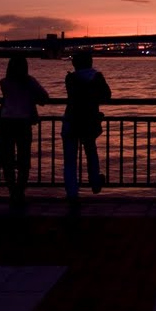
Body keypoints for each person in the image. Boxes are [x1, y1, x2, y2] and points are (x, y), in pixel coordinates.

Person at [0, 55, 49, 205]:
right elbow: (44, 97)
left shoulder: (4, 82)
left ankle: (12, 190)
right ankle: (20, 191)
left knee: (7, 159)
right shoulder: (29, 82)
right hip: (23, 123)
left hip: (6, 122)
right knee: (24, 158)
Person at [62, 50, 111, 201]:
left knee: (70, 159)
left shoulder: (70, 78)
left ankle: (72, 192)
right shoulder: (97, 77)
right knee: (91, 152)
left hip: (71, 120)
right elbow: (107, 95)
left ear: (75, 64)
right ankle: (95, 181)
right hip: (89, 120)